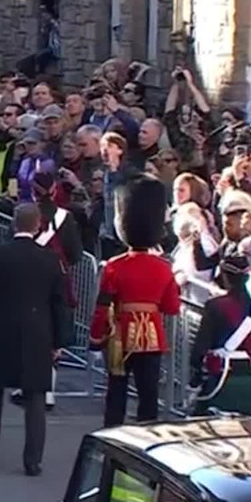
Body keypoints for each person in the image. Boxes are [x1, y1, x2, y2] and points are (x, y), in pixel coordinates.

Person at [0, 204, 71, 476]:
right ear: (38, 225)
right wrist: (59, 342)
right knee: (36, 398)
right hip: (38, 333)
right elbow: (59, 303)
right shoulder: (50, 259)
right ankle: (33, 460)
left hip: (0, 331)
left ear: (13, 223)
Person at [88, 175, 181, 427]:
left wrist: (96, 337)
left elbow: (102, 306)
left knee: (116, 393)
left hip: (120, 335)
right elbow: (172, 307)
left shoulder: (114, 266)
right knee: (148, 396)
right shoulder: (163, 267)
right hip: (151, 336)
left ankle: (112, 433)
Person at [11, 171, 84, 410]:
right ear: (54, 190)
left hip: (26, 277)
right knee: (54, 330)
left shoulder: (25, 213)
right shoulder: (65, 217)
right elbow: (75, 254)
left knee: (25, 327)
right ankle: (49, 390)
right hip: (57, 278)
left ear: (33, 191)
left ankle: (23, 383)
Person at [187, 253, 251, 416]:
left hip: (221, 378)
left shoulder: (215, 306)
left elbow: (201, 345)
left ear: (225, 277)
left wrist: (196, 372)